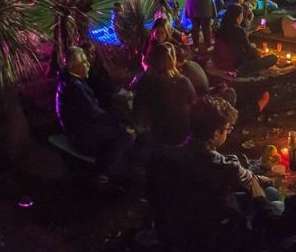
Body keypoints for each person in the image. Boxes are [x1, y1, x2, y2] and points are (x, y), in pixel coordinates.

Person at [146, 96, 279, 250]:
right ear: (216, 133)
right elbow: (252, 180)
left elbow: (153, 197)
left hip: (169, 232)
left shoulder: (161, 156)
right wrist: (268, 180)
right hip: (211, 238)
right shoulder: (226, 166)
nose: (227, 134)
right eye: (227, 129)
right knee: (272, 196)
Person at [55, 46, 135, 185]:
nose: (88, 64)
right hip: (82, 136)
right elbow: (96, 113)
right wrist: (122, 126)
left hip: (82, 128)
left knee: (121, 124)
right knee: (126, 136)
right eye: (85, 62)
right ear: (74, 66)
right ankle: (102, 174)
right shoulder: (75, 86)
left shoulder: (72, 80)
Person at [133, 43, 197, 146]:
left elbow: (137, 111)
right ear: (172, 61)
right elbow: (195, 105)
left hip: (158, 136)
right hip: (182, 135)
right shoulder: (183, 82)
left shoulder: (145, 82)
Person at [214, 4, 277, 77]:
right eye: (242, 15)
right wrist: (256, 52)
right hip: (236, 64)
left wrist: (254, 29)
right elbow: (248, 50)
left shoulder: (219, 30)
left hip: (220, 62)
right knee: (272, 58)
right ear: (238, 16)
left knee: (253, 50)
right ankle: (240, 72)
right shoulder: (239, 30)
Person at [79, 40, 117, 108]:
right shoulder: (81, 73)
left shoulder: (100, 69)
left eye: (92, 53)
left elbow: (110, 87)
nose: (91, 57)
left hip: (106, 105)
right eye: (87, 54)